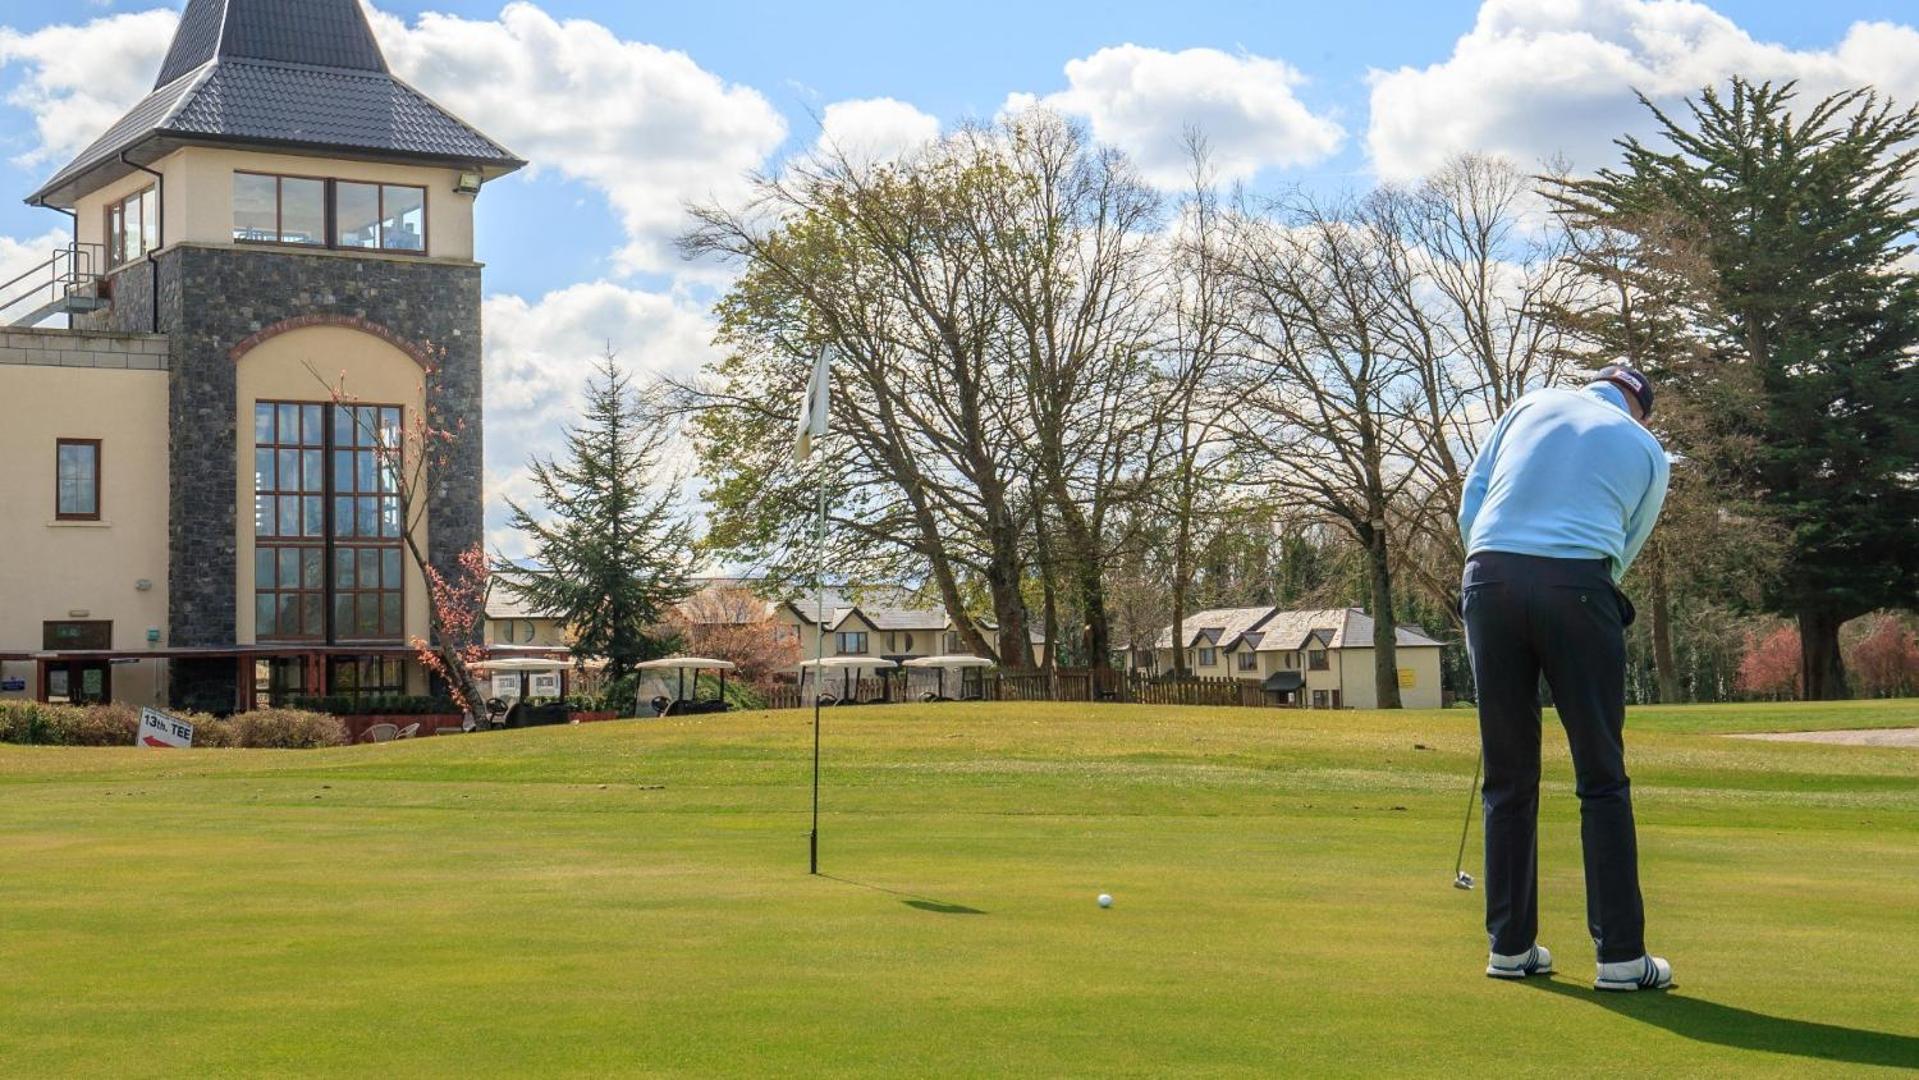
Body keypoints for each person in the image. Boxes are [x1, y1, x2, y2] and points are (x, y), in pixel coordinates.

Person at [1457, 364, 1673, 992]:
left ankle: (1510, 947)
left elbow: (1475, 498)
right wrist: (1576, 590)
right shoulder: (1647, 448)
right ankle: (1622, 961)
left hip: (1489, 576)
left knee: (1508, 777)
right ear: (1640, 407)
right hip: (1579, 583)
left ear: (1593, 385)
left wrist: (1494, 581)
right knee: (1601, 776)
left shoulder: (1528, 405)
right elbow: (1625, 547)